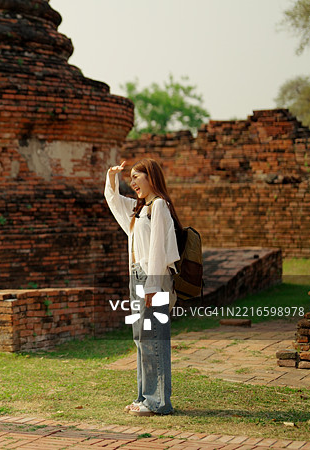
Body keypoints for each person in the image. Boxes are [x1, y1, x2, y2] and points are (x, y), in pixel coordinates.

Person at [105, 159, 180, 416]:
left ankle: (157, 401)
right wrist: (112, 177)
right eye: (132, 178)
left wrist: (153, 286)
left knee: (154, 339)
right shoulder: (139, 208)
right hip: (136, 277)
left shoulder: (158, 206)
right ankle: (144, 397)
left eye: (138, 177)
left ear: (152, 178)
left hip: (152, 278)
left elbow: (159, 248)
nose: (133, 182)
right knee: (141, 339)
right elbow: (113, 200)